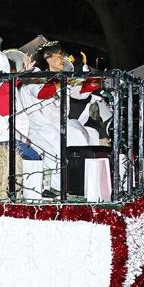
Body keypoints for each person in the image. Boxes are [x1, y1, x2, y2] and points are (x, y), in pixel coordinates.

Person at [20, 39, 97, 196]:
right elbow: (42, 93)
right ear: (47, 58)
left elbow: (81, 91)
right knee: (58, 151)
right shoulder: (34, 77)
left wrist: (94, 79)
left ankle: (80, 185)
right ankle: (55, 190)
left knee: (84, 137)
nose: (63, 59)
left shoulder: (61, 78)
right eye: (60, 55)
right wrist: (62, 81)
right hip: (39, 130)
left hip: (58, 127)